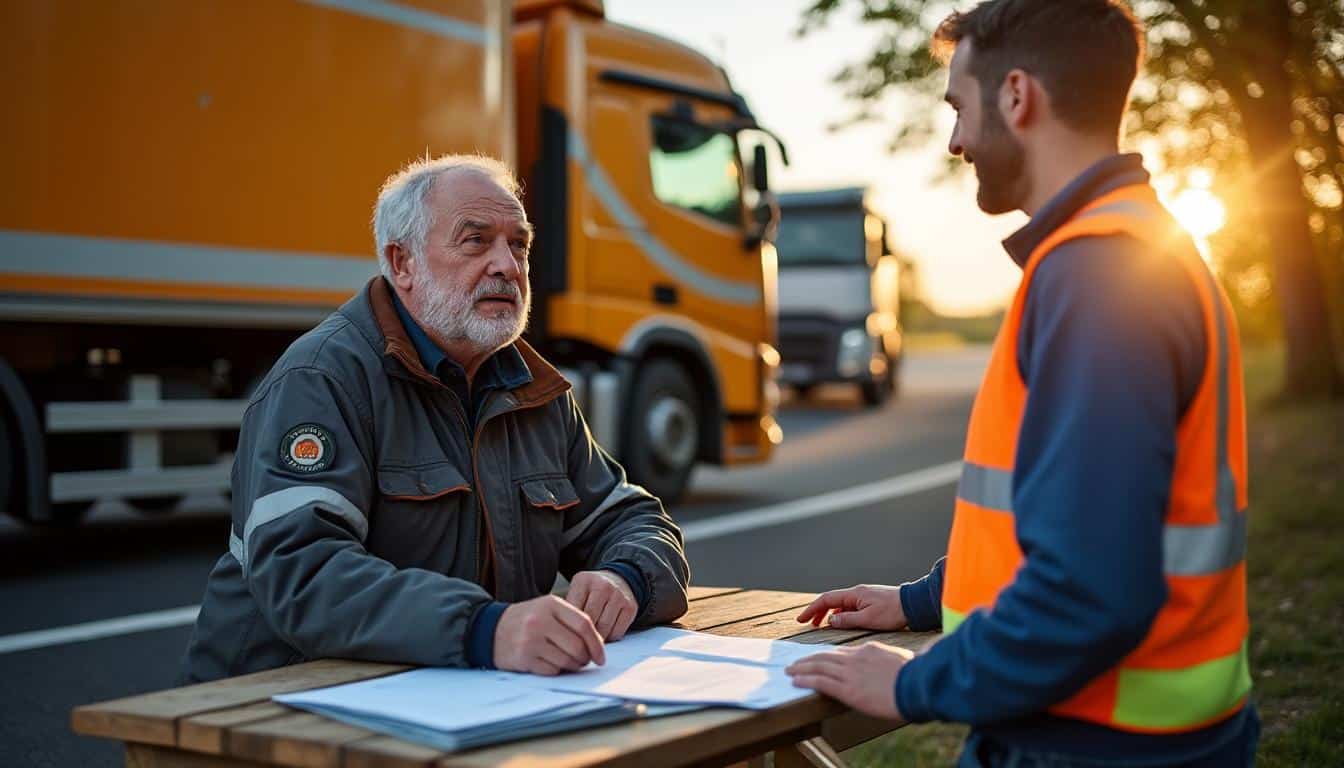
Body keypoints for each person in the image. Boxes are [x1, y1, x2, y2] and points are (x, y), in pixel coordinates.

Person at [785, 1, 1258, 765]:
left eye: (958, 107)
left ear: (1015, 96)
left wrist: (914, 683)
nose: (955, 141)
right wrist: (921, 601)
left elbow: (1088, 589)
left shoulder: (1099, 275)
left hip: (1094, 743)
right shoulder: (1134, 246)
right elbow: (1079, 519)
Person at [182, 155, 690, 683]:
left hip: (457, 697)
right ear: (401, 262)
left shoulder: (533, 390)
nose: (508, 266)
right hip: (266, 705)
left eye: (519, 245)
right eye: (476, 241)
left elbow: (632, 520)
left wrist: (625, 578)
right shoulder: (322, 379)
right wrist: (483, 629)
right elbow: (302, 572)